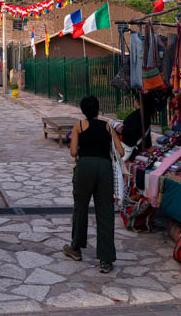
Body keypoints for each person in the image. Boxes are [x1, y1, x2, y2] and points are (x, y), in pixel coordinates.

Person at [63, 96, 122, 273]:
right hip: (104, 169)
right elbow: (120, 151)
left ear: (83, 110)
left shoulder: (79, 126)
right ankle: (105, 259)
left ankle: (76, 248)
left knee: (80, 207)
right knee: (105, 211)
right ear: (98, 109)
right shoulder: (107, 126)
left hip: (84, 168)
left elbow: (73, 152)